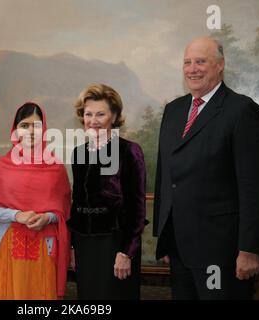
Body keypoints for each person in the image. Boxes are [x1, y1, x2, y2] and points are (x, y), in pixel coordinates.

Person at [153, 37, 259, 300]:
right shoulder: (173, 111)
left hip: (222, 252)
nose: (192, 68)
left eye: (200, 61)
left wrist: (249, 249)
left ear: (220, 65)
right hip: (179, 249)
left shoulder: (241, 111)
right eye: (187, 62)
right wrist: (162, 235)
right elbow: (166, 176)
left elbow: (255, 187)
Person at [0, 102, 71, 300]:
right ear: (15, 130)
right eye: (24, 125)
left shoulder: (55, 168)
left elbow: (64, 211)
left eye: (36, 126)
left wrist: (48, 217)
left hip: (44, 248)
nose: (31, 131)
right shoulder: (0, 167)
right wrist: (16, 215)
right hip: (7, 246)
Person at [68, 84, 147, 300]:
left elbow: (137, 208)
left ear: (113, 116)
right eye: (88, 114)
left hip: (116, 245)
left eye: (100, 114)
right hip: (85, 245)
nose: (93, 120)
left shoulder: (130, 151)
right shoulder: (78, 153)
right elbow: (77, 202)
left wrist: (126, 252)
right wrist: (72, 246)